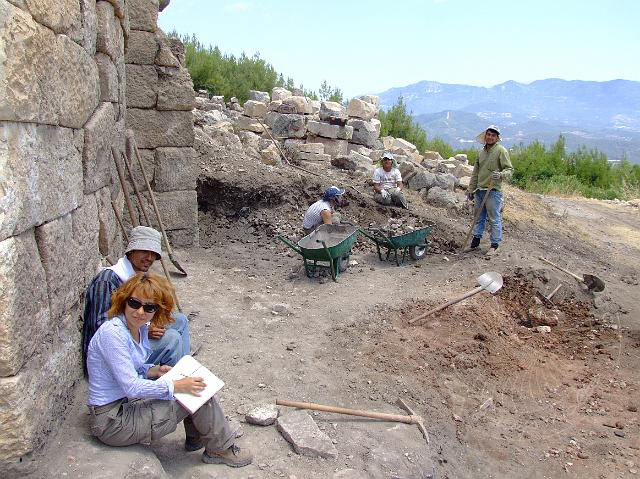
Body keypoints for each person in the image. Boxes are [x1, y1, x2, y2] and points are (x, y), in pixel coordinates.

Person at [86, 272, 253, 467]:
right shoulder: (113, 334)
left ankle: (198, 438)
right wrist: (175, 386)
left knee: (193, 382)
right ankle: (220, 448)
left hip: (121, 406)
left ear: (156, 310)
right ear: (123, 301)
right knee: (196, 391)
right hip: (113, 423)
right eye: (134, 303)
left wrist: (152, 371)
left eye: (148, 307)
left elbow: (127, 368)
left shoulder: (136, 327)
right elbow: (131, 387)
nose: (140, 311)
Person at [82, 226, 189, 374]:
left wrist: (149, 323)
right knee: (172, 339)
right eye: (145, 251)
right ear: (131, 251)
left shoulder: (134, 275)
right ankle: (172, 385)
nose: (149, 258)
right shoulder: (107, 281)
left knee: (180, 320)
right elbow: (101, 327)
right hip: (108, 357)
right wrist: (143, 330)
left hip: (132, 334)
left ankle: (183, 369)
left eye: (153, 254)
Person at [466, 125, 513, 256]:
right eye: (488, 134)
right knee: (478, 217)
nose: (490, 137)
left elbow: (509, 170)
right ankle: (475, 243)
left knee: (494, 218)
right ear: (485, 136)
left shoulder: (501, 151)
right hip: (480, 190)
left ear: (497, 138)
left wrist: (501, 175)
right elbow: (475, 172)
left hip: (493, 190)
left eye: (493, 135)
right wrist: (471, 188)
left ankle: (495, 245)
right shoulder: (481, 153)